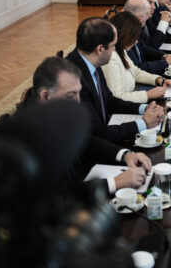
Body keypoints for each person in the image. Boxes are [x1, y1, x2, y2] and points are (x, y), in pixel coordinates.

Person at [22, 57, 152, 192]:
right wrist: (115, 183)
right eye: (71, 95)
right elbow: (59, 194)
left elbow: (85, 141)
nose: (78, 102)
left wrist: (125, 155)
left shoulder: (53, 110)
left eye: (79, 93)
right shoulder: (31, 139)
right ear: (45, 96)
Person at [65, 17, 165, 144]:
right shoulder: (74, 81)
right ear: (100, 49)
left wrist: (144, 108)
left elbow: (109, 101)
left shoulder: (91, 61)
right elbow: (97, 133)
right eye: (113, 46)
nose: (115, 50)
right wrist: (143, 123)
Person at [103, 12, 171, 103]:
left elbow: (136, 72)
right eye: (134, 37)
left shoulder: (121, 49)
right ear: (123, 35)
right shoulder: (110, 59)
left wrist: (159, 80)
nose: (136, 42)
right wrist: (147, 95)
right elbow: (116, 97)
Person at [123, 0, 171, 74]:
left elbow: (144, 48)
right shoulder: (124, 32)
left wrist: (164, 56)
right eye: (147, 15)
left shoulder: (132, 25)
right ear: (140, 17)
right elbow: (137, 68)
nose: (153, 7)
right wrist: (165, 63)